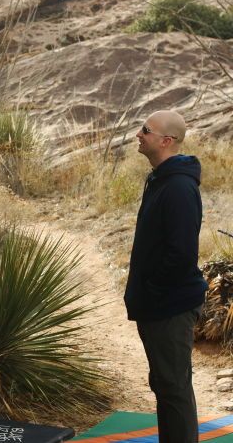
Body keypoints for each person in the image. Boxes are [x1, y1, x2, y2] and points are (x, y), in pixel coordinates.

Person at [124, 110, 208, 443]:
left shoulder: (178, 188)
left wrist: (153, 288)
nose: (138, 134)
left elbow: (181, 254)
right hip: (158, 303)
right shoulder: (160, 179)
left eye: (146, 130)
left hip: (170, 306)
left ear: (166, 141)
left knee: (173, 388)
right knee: (164, 383)